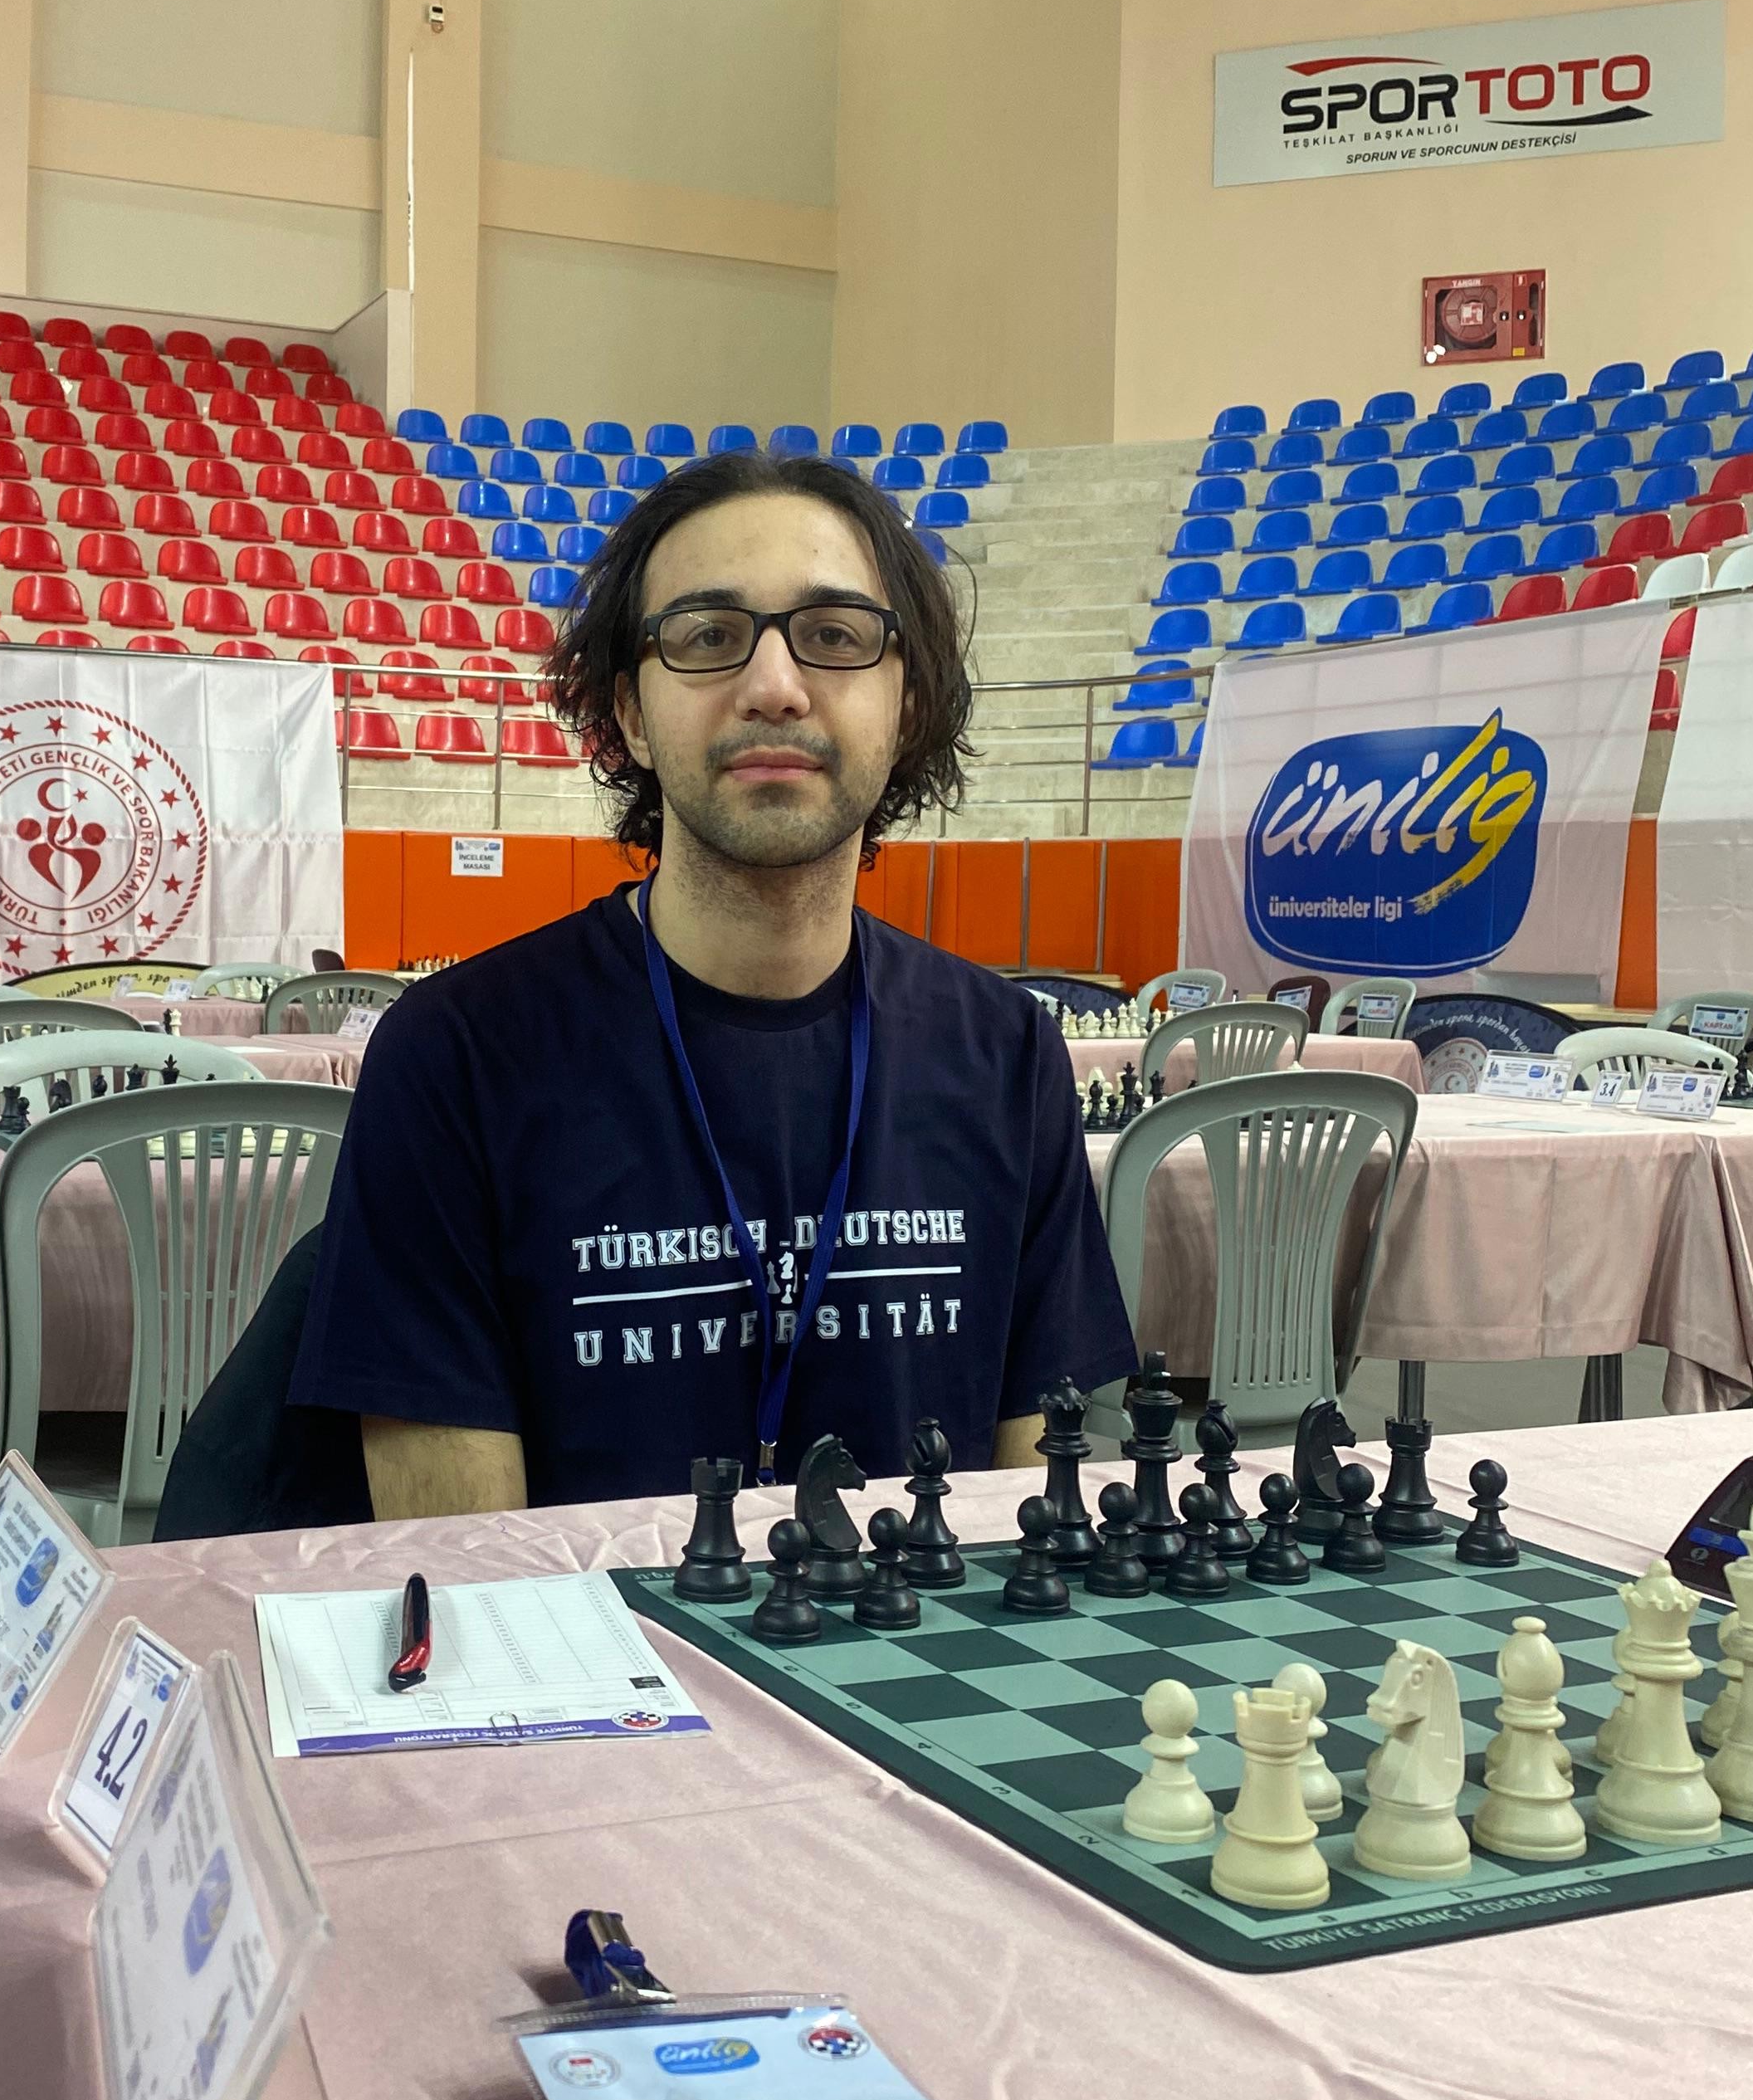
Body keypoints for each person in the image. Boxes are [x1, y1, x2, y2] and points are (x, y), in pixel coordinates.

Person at [285, 449, 1135, 1519]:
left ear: (907, 705)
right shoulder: (453, 1055)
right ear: (632, 716)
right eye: (707, 637)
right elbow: (470, 1569)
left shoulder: (1008, 1052)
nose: (774, 687)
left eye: (836, 636)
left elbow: (1032, 1513)